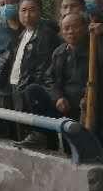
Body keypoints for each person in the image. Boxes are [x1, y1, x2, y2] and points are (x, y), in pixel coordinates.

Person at [22, 8, 102, 152]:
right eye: (66, 28)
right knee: (32, 90)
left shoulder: (95, 49)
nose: (70, 31)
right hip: (63, 105)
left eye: (75, 27)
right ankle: (45, 137)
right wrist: (58, 97)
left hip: (88, 107)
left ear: (85, 28)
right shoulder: (59, 52)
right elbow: (49, 78)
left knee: (78, 151)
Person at [9, 0, 60, 125]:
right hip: (16, 85)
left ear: (40, 12)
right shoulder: (23, 34)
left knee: (33, 127)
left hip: (31, 90)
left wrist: (29, 90)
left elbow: (43, 68)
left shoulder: (46, 34)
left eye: (32, 10)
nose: (27, 15)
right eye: (23, 10)